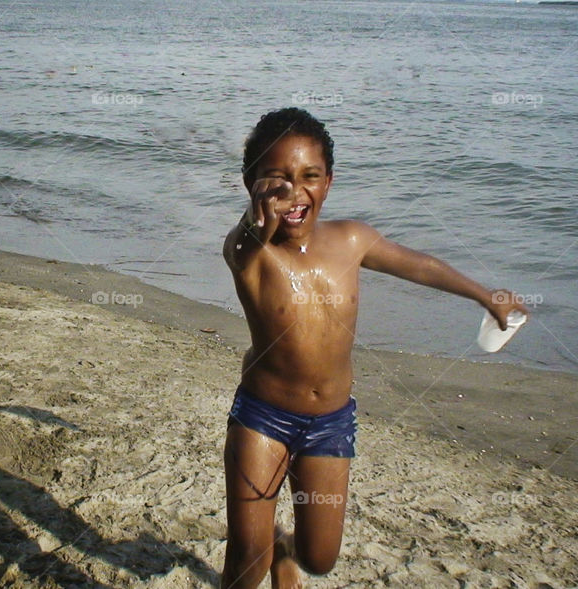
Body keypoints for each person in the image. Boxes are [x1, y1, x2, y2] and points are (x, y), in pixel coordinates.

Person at [220, 108, 529, 588]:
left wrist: (485, 295)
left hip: (331, 424)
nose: (293, 194)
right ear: (251, 183)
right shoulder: (250, 253)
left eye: (309, 178)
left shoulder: (351, 239)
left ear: (329, 181)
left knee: (319, 559)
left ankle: (285, 550)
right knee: (246, 557)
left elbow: (420, 266)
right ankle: (265, 554)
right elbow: (244, 240)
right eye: (275, 180)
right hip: (262, 418)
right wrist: (254, 217)